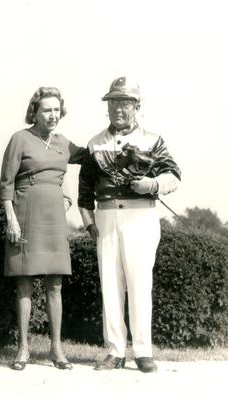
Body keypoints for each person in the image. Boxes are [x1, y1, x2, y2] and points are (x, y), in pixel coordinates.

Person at [78, 76, 181, 373]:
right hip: (107, 217)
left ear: (137, 106)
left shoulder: (152, 139)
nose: (118, 109)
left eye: (124, 103)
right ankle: (114, 351)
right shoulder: (95, 143)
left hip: (141, 217)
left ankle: (143, 351)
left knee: (139, 284)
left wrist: (152, 184)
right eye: (113, 103)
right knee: (110, 285)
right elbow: (84, 193)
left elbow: (174, 175)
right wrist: (89, 225)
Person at [0, 87, 86, 371]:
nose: (52, 115)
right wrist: (10, 218)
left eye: (56, 110)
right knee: (24, 281)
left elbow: (91, 159)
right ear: (34, 112)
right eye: (46, 110)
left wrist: (70, 196)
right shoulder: (20, 139)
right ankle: (23, 348)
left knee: (55, 284)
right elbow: (6, 183)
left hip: (54, 219)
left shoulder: (64, 143)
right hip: (25, 214)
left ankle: (56, 348)